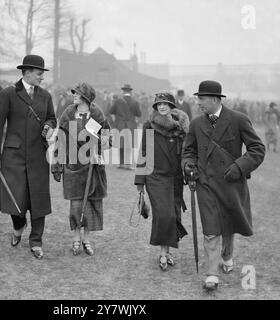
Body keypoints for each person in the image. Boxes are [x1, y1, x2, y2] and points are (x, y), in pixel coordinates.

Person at [182, 80, 265, 291]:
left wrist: (239, 167)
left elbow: (257, 149)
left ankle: (227, 255)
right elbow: (188, 151)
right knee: (211, 227)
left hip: (231, 182)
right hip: (205, 183)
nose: (198, 103)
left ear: (215, 99)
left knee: (228, 224)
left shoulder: (238, 119)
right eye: (197, 98)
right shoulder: (196, 124)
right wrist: (189, 164)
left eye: (201, 99)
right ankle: (211, 274)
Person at [0, 55, 57, 260]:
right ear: (26, 72)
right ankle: (18, 226)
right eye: (39, 74)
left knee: (38, 198)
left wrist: (49, 126)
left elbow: (51, 118)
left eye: (42, 74)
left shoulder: (45, 96)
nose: (42, 78)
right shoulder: (8, 93)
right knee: (14, 196)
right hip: (13, 155)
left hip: (38, 155)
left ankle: (36, 241)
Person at [51, 82, 111, 256]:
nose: (74, 96)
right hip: (73, 166)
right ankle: (76, 238)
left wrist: (98, 146)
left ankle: (87, 239)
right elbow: (60, 141)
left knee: (91, 204)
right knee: (76, 205)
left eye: (77, 93)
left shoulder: (97, 114)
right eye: (74, 93)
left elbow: (107, 136)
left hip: (93, 168)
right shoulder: (68, 114)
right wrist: (57, 165)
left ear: (85, 97)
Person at [135, 92, 188, 270]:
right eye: (159, 104)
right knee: (164, 215)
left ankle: (167, 251)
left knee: (173, 215)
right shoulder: (149, 126)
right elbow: (143, 152)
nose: (162, 107)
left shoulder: (181, 127)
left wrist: (189, 170)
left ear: (172, 107)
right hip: (155, 177)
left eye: (165, 104)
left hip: (175, 178)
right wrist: (140, 182)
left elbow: (186, 153)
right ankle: (163, 254)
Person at [109, 84, 141, 169]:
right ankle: (128, 164)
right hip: (130, 126)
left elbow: (111, 111)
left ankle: (120, 164)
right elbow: (139, 114)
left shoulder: (118, 101)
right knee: (129, 145)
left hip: (120, 125)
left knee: (121, 144)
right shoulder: (135, 102)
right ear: (130, 91)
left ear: (123, 91)